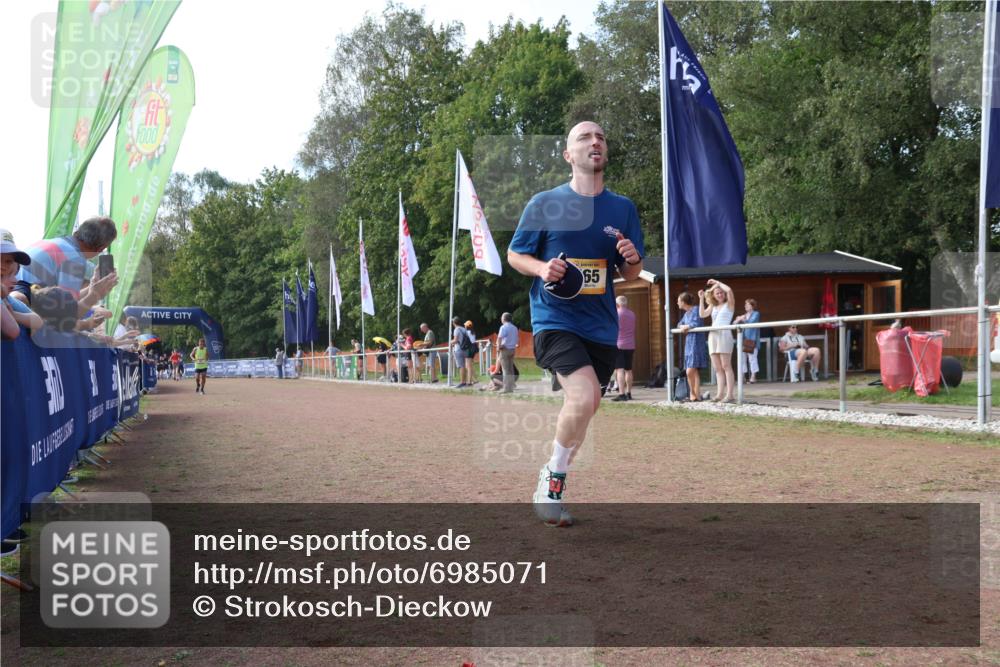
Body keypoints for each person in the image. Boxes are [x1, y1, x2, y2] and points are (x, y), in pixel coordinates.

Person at [508, 120, 644, 527]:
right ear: (569, 155)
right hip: (554, 319)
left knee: (584, 409)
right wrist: (541, 268)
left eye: (601, 136)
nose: (595, 141)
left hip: (601, 327)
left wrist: (633, 259)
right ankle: (549, 485)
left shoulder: (623, 208)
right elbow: (516, 255)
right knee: (583, 399)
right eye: (584, 137)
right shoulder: (545, 202)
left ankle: (552, 477)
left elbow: (632, 274)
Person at [16, 217, 118, 299]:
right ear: (100, 248)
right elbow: (67, 307)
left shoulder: (53, 242)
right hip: (24, 308)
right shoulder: (75, 258)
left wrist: (93, 286)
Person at [699, 278, 736, 402]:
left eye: (721, 292)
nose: (720, 294)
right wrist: (701, 298)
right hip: (713, 335)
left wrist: (717, 283)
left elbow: (729, 290)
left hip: (724, 334)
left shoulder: (729, 304)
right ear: (714, 295)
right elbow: (702, 314)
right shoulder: (713, 305)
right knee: (717, 367)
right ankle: (720, 394)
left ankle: (730, 394)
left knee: (726, 365)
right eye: (717, 293)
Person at [676, 292, 707, 401]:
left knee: (690, 371)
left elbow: (695, 323)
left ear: (683, 302)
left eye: (678, 301)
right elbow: (679, 324)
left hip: (697, 342)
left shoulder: (695, 310)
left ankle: (692, 394)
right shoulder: (686, 313)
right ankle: (696, 395)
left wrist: (687, 326)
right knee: (693, 371)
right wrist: (683, 326)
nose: (677, 303)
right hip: (689, 343)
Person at [612, 295, 636, 401]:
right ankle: (629, 393)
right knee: (628, 370)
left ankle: (621, 394)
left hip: (619, 344)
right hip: (630, 344)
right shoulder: (632, 314)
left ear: (617, 304)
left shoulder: (616, 314)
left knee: (619, 370)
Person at [733, 298, 761, 383]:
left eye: (748, 304)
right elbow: (734, 324)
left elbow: (751, 323)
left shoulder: (756, 314)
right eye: (745, 304)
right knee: (742, 359)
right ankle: (743, 376)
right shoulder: (744, 315)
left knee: (752, 358)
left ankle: (753, 376)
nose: (745, 306)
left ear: (752, 306)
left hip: (751, 340)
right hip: (742, 340)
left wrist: (742, 319)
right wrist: (738, 320)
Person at [496, 312, 519, 393]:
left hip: (505, 350)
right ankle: (511, 386)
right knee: (511, 369)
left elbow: (499, 338)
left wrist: (498, 347)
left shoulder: (503, 327)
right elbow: (516, 340)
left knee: (505, 369)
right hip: (512, 349)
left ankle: (506, 388)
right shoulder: (515, 328)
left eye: (502, 317)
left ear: (504, 319)